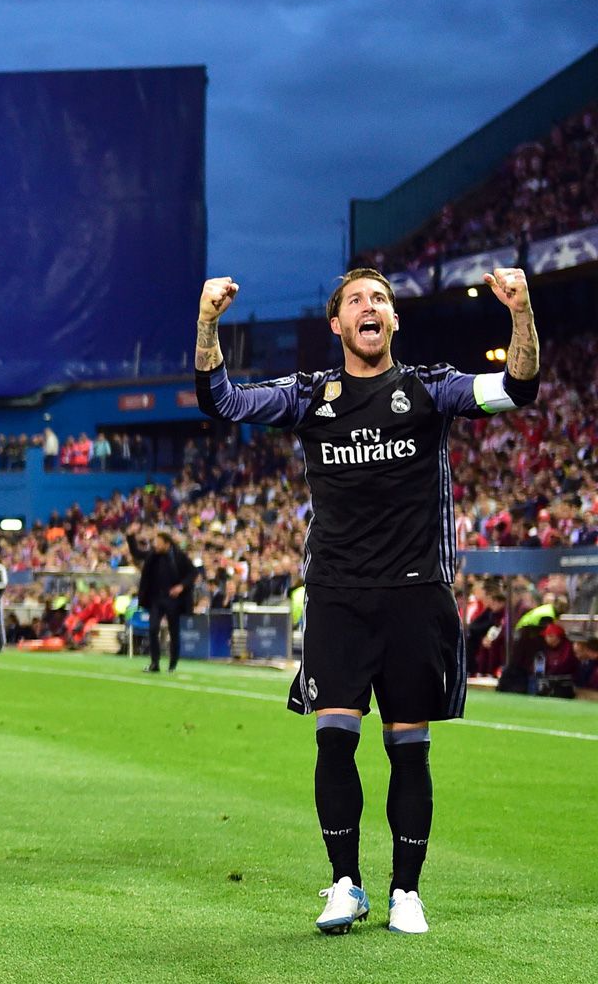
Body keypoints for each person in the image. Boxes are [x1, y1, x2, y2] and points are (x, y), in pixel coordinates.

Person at [195, 266, 539, 936]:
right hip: (337, 596)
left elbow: (517, 389)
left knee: (409, 749)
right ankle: (345, 885)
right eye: (356, 300)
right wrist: (207, 322)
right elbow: (223, 403)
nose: (369, 307)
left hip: (416, 595)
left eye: (379, 298)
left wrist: (520, 311)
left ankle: (405, 892)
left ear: (393, 320)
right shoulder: (309, 396)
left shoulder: (431, 389)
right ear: (337, 325)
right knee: (334, 742)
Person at [127, 526, 197, 672]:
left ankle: (172, 664)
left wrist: (181, 587)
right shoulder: (153, 554)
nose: (155, 545)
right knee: (152, 629)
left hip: (173, 601)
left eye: (158, 542)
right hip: (156, 599)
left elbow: (192, 573)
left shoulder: (179, 556)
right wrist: (131, 536)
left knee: (174, 631)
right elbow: (137, 553)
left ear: (167, 544)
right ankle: (155, 663)